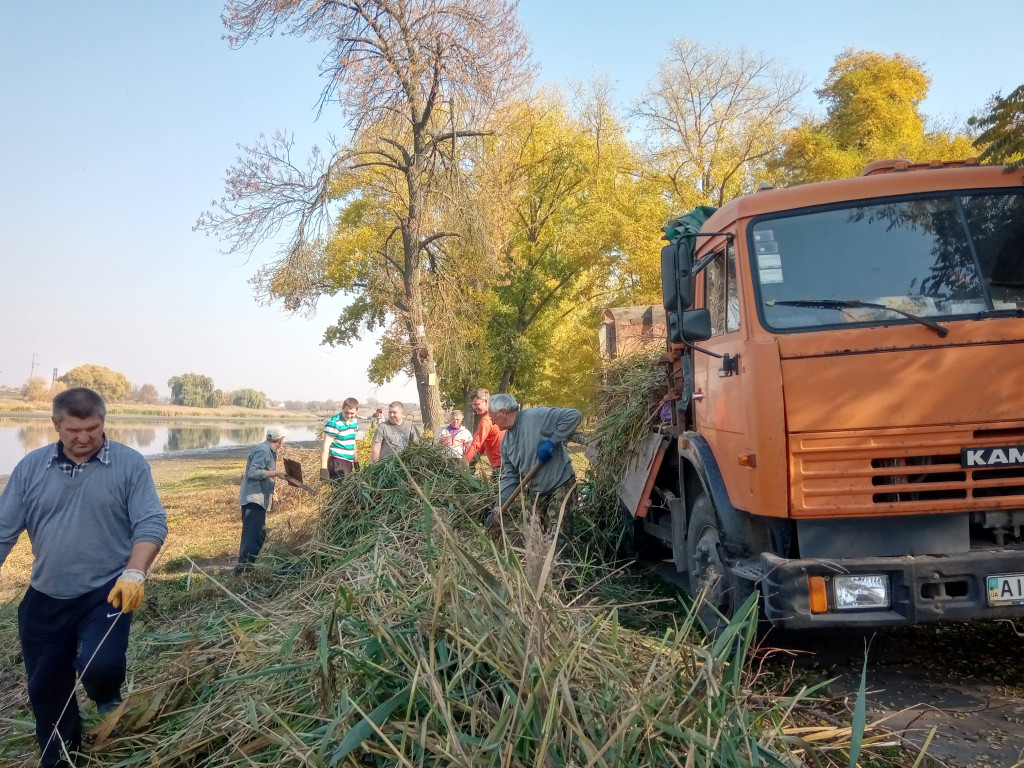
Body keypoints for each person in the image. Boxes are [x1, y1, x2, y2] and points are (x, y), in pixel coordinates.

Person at [0, 387, 167, 768]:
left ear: (103, 421)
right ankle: (61, 757)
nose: (84, 437)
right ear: (56, 424)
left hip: (107, 591)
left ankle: (106, 695)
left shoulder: (130, 464)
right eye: (73, 429)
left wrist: (135, 572)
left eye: (92, 427)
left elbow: (151, 522)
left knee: (101, 664)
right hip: (46, 595)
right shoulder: (30, 467)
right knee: (46, 688)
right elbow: (3, 530)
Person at [488, 393, 582, 534]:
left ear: (503, 412)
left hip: (560, 484)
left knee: (556, 537)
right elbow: (511, 477)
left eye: (493, 417)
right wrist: (497, 508)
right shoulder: (506, 444)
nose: (493, 422)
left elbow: (574, 415)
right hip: (536, 491)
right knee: (525, 535)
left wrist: (552, 441)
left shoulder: (537, 416)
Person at [236, 426, 288, 573]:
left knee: (257, 533)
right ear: (280, 440)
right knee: (253, 534)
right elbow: (253, 472)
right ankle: (243, 569)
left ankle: (247, 567)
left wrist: (272, 490)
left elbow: (263, 472)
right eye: (283, 440)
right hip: (253, 499)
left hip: (259, 497)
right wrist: (276, 473)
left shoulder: (268, 450)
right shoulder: (264, 450)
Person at [463, 388, 505, 485]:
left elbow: (476, 444)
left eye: (477, 404)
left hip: (500, 463)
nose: (475, 407)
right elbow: (482, 445)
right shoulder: (497, 415)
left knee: (497, 493)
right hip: (505, 461)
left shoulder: (486, 420)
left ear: (486, 401)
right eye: (473, 405)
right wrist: (473, 460)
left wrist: (464, 462)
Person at [320, 397, 360, 481]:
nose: (349, 416)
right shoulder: (334, 422)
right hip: (336, 462)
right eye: (346, 412)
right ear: (342, 409)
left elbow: (352, 442)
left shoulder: (354, 422)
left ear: (357, 410)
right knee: (339, 491)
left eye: (352, 413)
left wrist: (356, 462)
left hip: (348, 462)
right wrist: (323, 468)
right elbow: (325, 445)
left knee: (348, 491)